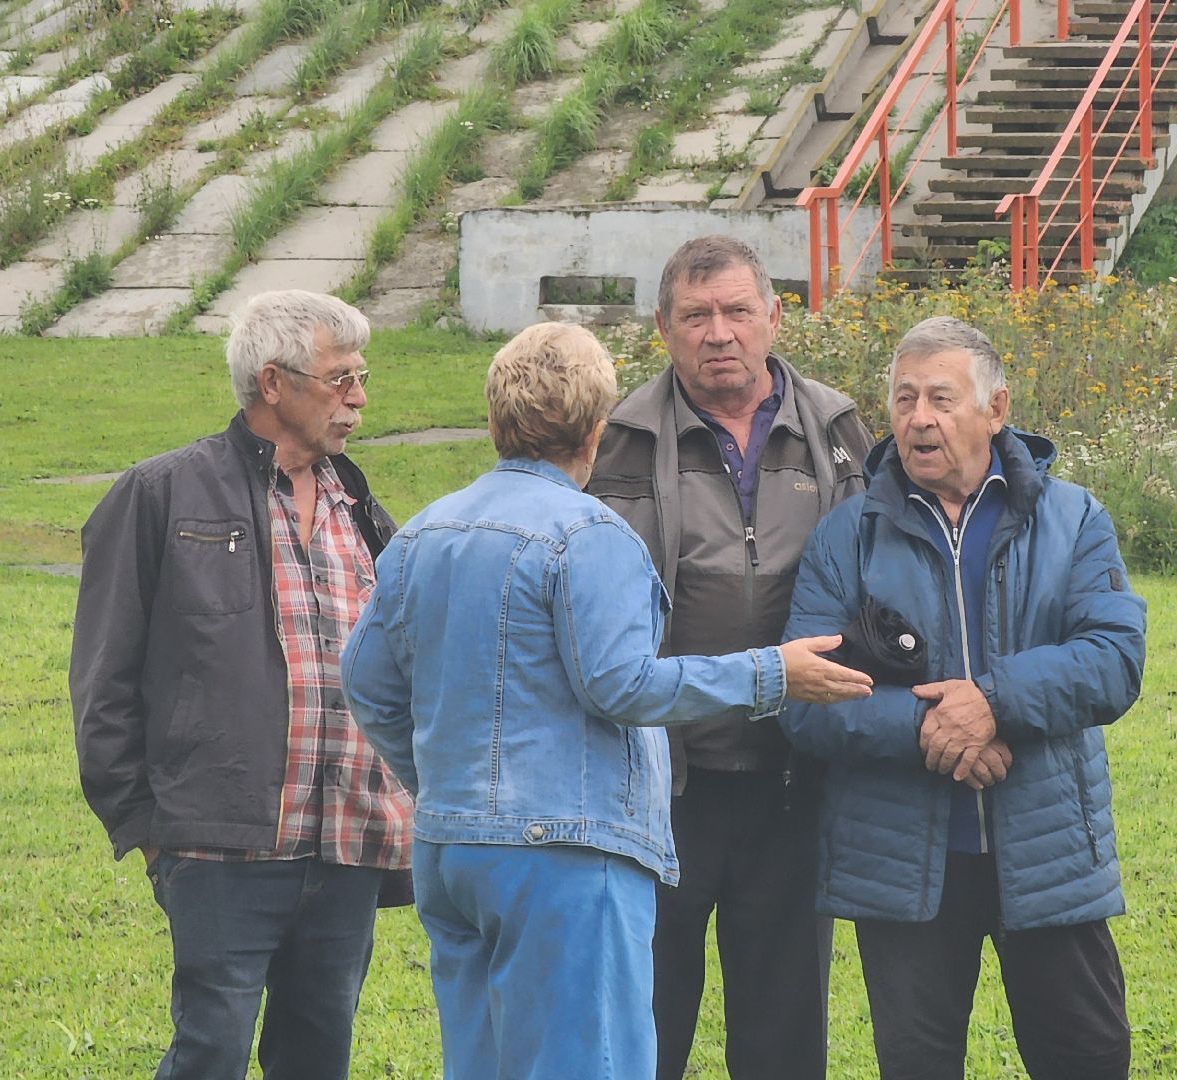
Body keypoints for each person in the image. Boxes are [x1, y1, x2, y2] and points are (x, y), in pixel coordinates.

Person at [338, 321, 872, 1080]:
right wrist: (771, 673)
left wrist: (438, 780)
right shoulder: (592, 534)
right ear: (598, 427)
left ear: (494, 420)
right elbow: (621, 684)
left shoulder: (422, 532)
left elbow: (365, 680)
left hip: (451, 850)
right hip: (566, 853)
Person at [780, 315, 1148, 1080]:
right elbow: (804, 700)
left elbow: (1114, 658)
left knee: (1087, 1057)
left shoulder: (1073, 519)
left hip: (1047, 854)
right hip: (907, 864)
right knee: (917, 1065)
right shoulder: (846, 538)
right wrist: (930, 728)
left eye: (942, 399)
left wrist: (993, 702)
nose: (919, 419)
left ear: (997, 409)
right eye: (905, 399)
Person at [69, 290, 414, 1080]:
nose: (358, 397)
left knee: (318, 1059)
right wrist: (146, 827)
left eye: (362, 377)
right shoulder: (160, 495)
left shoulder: (362, 508)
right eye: (341, 378)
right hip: (217, 846)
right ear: (272, 383)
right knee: (210, 1054)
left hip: (345, 846)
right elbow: (103, 679)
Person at [588, 235, 875, 1080]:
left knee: (784, 1033)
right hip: (658, 782)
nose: (720, 333)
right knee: (646, 1025)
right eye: (697, 315)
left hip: (794, 779)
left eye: (738, 312)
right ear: (662, 329)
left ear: (775, 318)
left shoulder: (837, 428)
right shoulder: (620, 441)